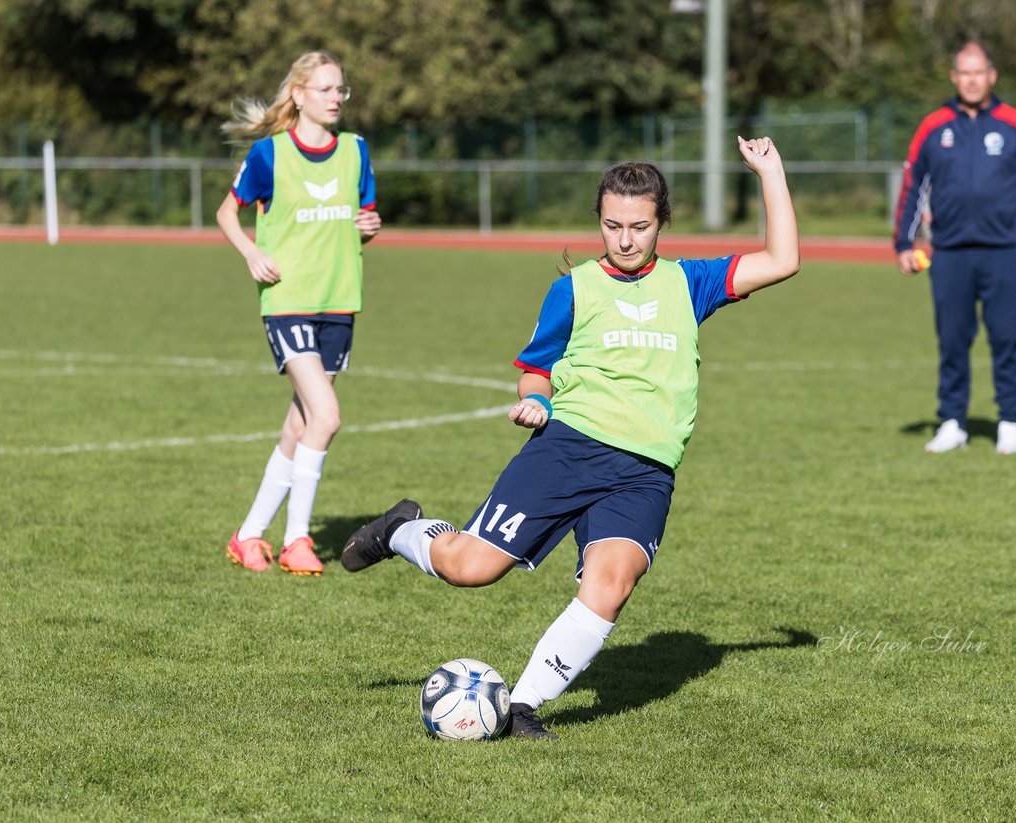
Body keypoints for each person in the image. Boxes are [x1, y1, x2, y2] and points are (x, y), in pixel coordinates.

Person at [340, 137, 800, 739]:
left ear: (661, 222)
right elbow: (538, 365)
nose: (627, 239)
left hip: (645, 472)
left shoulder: (691, 283)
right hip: (569, 449)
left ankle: (521, 707)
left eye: (640, 226)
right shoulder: (575, 288)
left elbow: (782, 259)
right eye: (613, 226)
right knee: (471, 569)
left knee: (610, 586)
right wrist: (535, 399)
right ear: (599, 223)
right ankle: (400, 528)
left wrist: (771, 172)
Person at [216, 51, 381, 576]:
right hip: (287, 302)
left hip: (339, 299)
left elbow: (362, 220)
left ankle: (247, 536)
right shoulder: (270, 155)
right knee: (327, 417)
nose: (337, 99)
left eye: (342, 91)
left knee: (300, 425)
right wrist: (250, 252)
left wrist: (369, 227)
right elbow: (227, 211)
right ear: (300, 94)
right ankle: (296, 540)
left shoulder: (356, 151)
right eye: (327, 89)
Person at [894, 41, 1016, 455]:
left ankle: (1010, 422)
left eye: (979, 72)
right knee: (952, 339)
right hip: (949, 252)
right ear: (954, 77)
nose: (971, 80)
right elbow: (913, 185)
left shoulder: (1015, 124)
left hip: (1005, 250)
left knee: (1006, 337)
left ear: (992, 75)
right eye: (963, 73)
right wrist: (904, 241)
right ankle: (952, 422)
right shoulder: (933, 127)